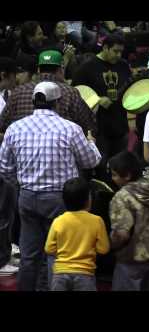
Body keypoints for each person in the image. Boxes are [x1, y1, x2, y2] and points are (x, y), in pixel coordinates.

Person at [0, 81, 102, 291]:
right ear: (57, 102)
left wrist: (21, 184)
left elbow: (4, 167)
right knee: (56, 253)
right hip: (59, 199)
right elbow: (90, 161)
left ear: (34, 101)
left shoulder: (15, 128)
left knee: (29, 255)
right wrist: (91, 141)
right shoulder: (70, 129)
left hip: (27, 197)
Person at [72, 33, 132, 183]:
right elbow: (75, 93)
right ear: (105, 47)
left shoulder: (123, 65)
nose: (118, 55)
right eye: (115, 51)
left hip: (120, 125)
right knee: (101, 168)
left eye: (121, 52)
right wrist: (96, 99)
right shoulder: (87, 67)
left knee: (121, 168)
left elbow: (128, 89)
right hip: (98, 128)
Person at [0, 49, 96, 141]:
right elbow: (88, 125)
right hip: (59, 153)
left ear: (38, 69)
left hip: (21, 153)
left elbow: (3, 124)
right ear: (60, 69)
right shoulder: (70, 92)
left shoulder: (19, 91)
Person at [108, 151, 149, 291]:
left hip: (130, 259)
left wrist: (109, 245)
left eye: (115, 175)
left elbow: (122, 234)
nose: (113, 179)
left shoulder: (122, 197)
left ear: (127, 175)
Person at [45, 177, 110, 291]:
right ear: (88, 199)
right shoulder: (97, 221)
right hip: (85, 274)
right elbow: (103, 249)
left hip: (60, 273)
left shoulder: (58, 221)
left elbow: (49, 249)